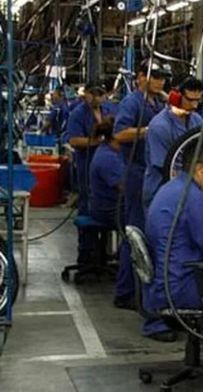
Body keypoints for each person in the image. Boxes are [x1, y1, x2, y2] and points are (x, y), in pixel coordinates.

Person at [143, 138, 203, 341]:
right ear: (201, 169)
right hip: (179, 289)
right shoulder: (194, 199)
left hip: (162, 285)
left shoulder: (170, 188)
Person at [112, 60, 170, 309]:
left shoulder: (158, 103)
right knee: (135, 234)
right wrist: (150, 129)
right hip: (136, 173)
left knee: (148, 234)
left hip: (152, 173)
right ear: (140, 77)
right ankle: (125, 292)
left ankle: (140, 290)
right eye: (154, 76)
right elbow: (119, 133)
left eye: (162, 77)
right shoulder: (132, 102)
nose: (159, 81)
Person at [142, 77, 203, 210]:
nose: (195, 106)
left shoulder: (197, 120)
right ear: (175, 97)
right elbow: (166, 167)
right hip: (161, 193)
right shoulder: (159, 126)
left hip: (188, 189)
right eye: (190, 100)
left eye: (198, 100)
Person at [64, 82, 108, 264]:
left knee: (103, 204)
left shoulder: (107, 110)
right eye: (93, 94)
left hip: (105, 165)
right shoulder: (78, 114)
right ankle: (86, 250)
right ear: (86, 95)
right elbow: (74, 140)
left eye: (100, 94)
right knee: (87, 205)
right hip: (86, 164)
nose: (96, 98)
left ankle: (101, 251)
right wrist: (96, 142)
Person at [88, 117, 124, 227]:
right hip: (107, 210)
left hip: (107, 206)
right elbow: (124, 188)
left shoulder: (109, 150)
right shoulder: (108, 158)